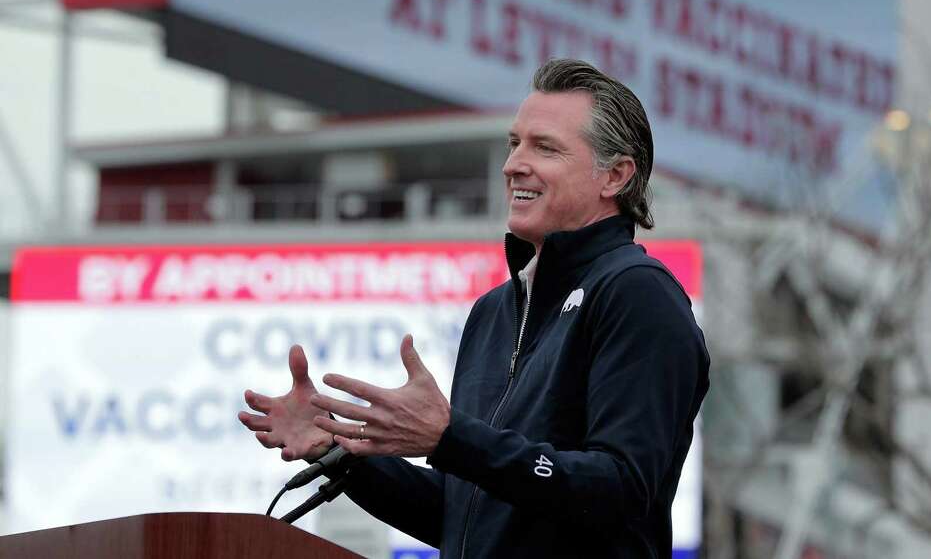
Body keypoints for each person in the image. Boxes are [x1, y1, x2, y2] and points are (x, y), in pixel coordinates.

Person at [238, 58, 709, 558]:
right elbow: (460, 516)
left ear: (614, 175)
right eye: (514, 144)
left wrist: (453, 439)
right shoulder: (493, 313)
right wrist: (337, 452)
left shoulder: (637, 294)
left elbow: (620, 490)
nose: (513, 165)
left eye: (544, 147)